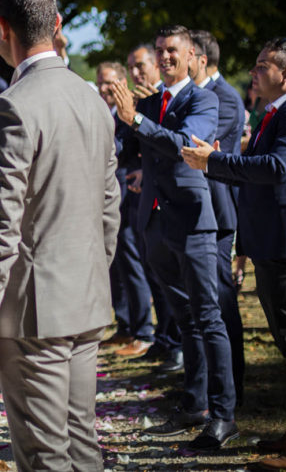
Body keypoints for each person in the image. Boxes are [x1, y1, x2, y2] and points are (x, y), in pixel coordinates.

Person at [0, 0, 118, 471]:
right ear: (58, 23)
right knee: (82, 443)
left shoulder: (11, 107)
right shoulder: (94, 99)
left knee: (44, 453)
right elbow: (109, 206)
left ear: (1, 28)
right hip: (86, 297)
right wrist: (92, 273)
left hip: (33, 311)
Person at [183, 38, 286, 470]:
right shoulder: (275, 112)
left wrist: (214, 162)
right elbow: (258, 178)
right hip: (272, 242)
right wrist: (219, 164)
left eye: (262, 65)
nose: (253, 73)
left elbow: (275, 169)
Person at [111, 25, 237, 450]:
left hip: (192, 221)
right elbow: (125, 148)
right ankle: (193, 404)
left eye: (172, 51)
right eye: (160, 50)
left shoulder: (203, 99)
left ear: (191, 56)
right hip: (153, 222)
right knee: (184, 318)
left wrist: (136, 118)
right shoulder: (148, 103)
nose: (165, 57)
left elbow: (185, 144)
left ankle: (223, 415)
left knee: (208, 317)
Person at [191, 29, 247, 406]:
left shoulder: (224, 97)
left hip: (217, 208)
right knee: (201, 301)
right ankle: (206, 385)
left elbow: (199, 146)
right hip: (195, 209)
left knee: (221, 300)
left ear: (201, 58)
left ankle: (232, 387)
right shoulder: (195, 96)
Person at [125, 43, 179, 363]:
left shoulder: (169, 99)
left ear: (156, 66)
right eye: (131, 67)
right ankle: (164, 337)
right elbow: (130, 147)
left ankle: (174, 341)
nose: (135, 73)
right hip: (144, 200)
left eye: (140, 65)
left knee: (170, 279)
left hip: (170, 202)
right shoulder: (142, 102)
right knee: (154, 274)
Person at [95, 62, 154, 359]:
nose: (104, 88)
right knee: (115, 266)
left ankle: (144, 332)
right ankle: (126, 325)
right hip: (107, 200)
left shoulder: (131, 111)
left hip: (130, 195)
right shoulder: (102, 111)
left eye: (109, 82)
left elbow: (138, 147)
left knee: (132, 265)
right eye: (100, 82)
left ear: (122, 82)